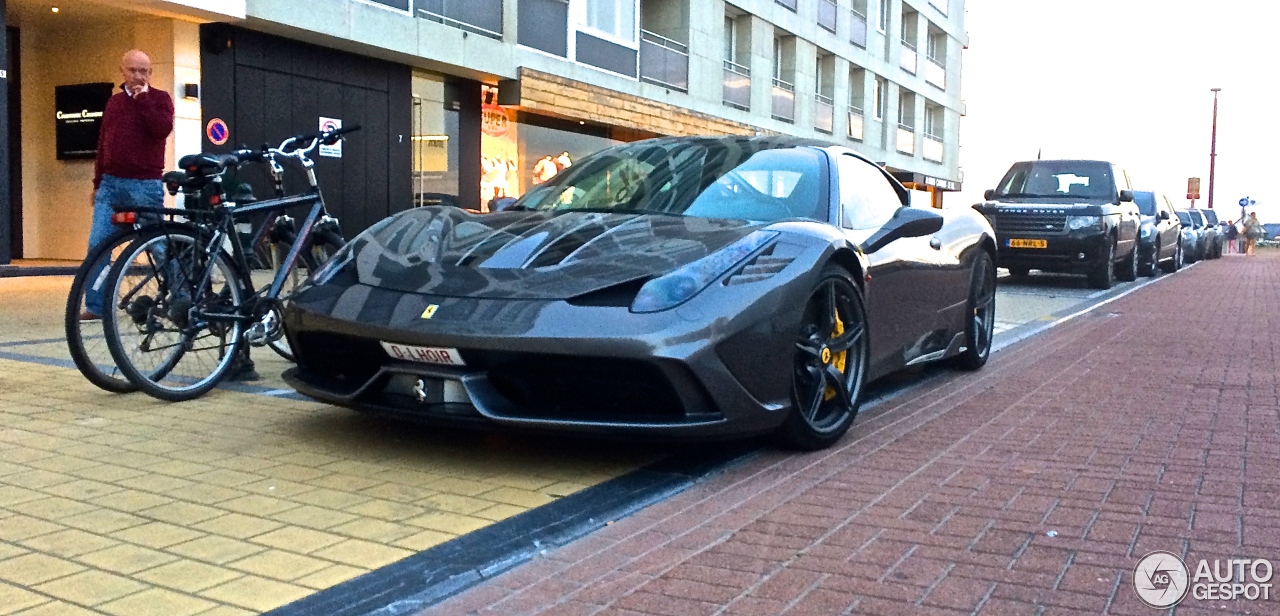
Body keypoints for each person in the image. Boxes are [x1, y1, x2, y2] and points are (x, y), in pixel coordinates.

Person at [84, 50, 173, 321]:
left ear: (150, 73)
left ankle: (184, 298)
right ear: (122, 70)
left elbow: (162, 129)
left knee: (157, 245)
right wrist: (98, 182)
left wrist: (143, 99)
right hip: (111, 186)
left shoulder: (160, 99)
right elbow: (103, 144)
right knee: (98, 246)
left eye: (144, 71)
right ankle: (96, 306)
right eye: (133, 70)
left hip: (145, 185)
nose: (138, 76)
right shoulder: (113, 103)